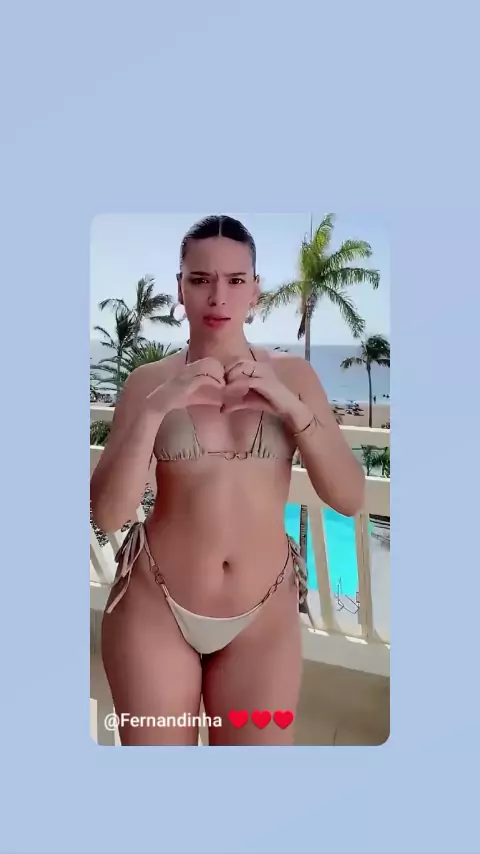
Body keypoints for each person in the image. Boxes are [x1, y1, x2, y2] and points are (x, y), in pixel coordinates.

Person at [90, 215, 365, 746]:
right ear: (180, 288)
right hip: (154, 606)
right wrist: (156, 410)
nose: (218, 296)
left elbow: (349, 497)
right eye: (201, 279)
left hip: (264, 616)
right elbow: (108, 514)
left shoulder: (294, 377)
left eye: (236, 280)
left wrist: (290, 409)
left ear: (255, 289)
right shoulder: (148, 383)